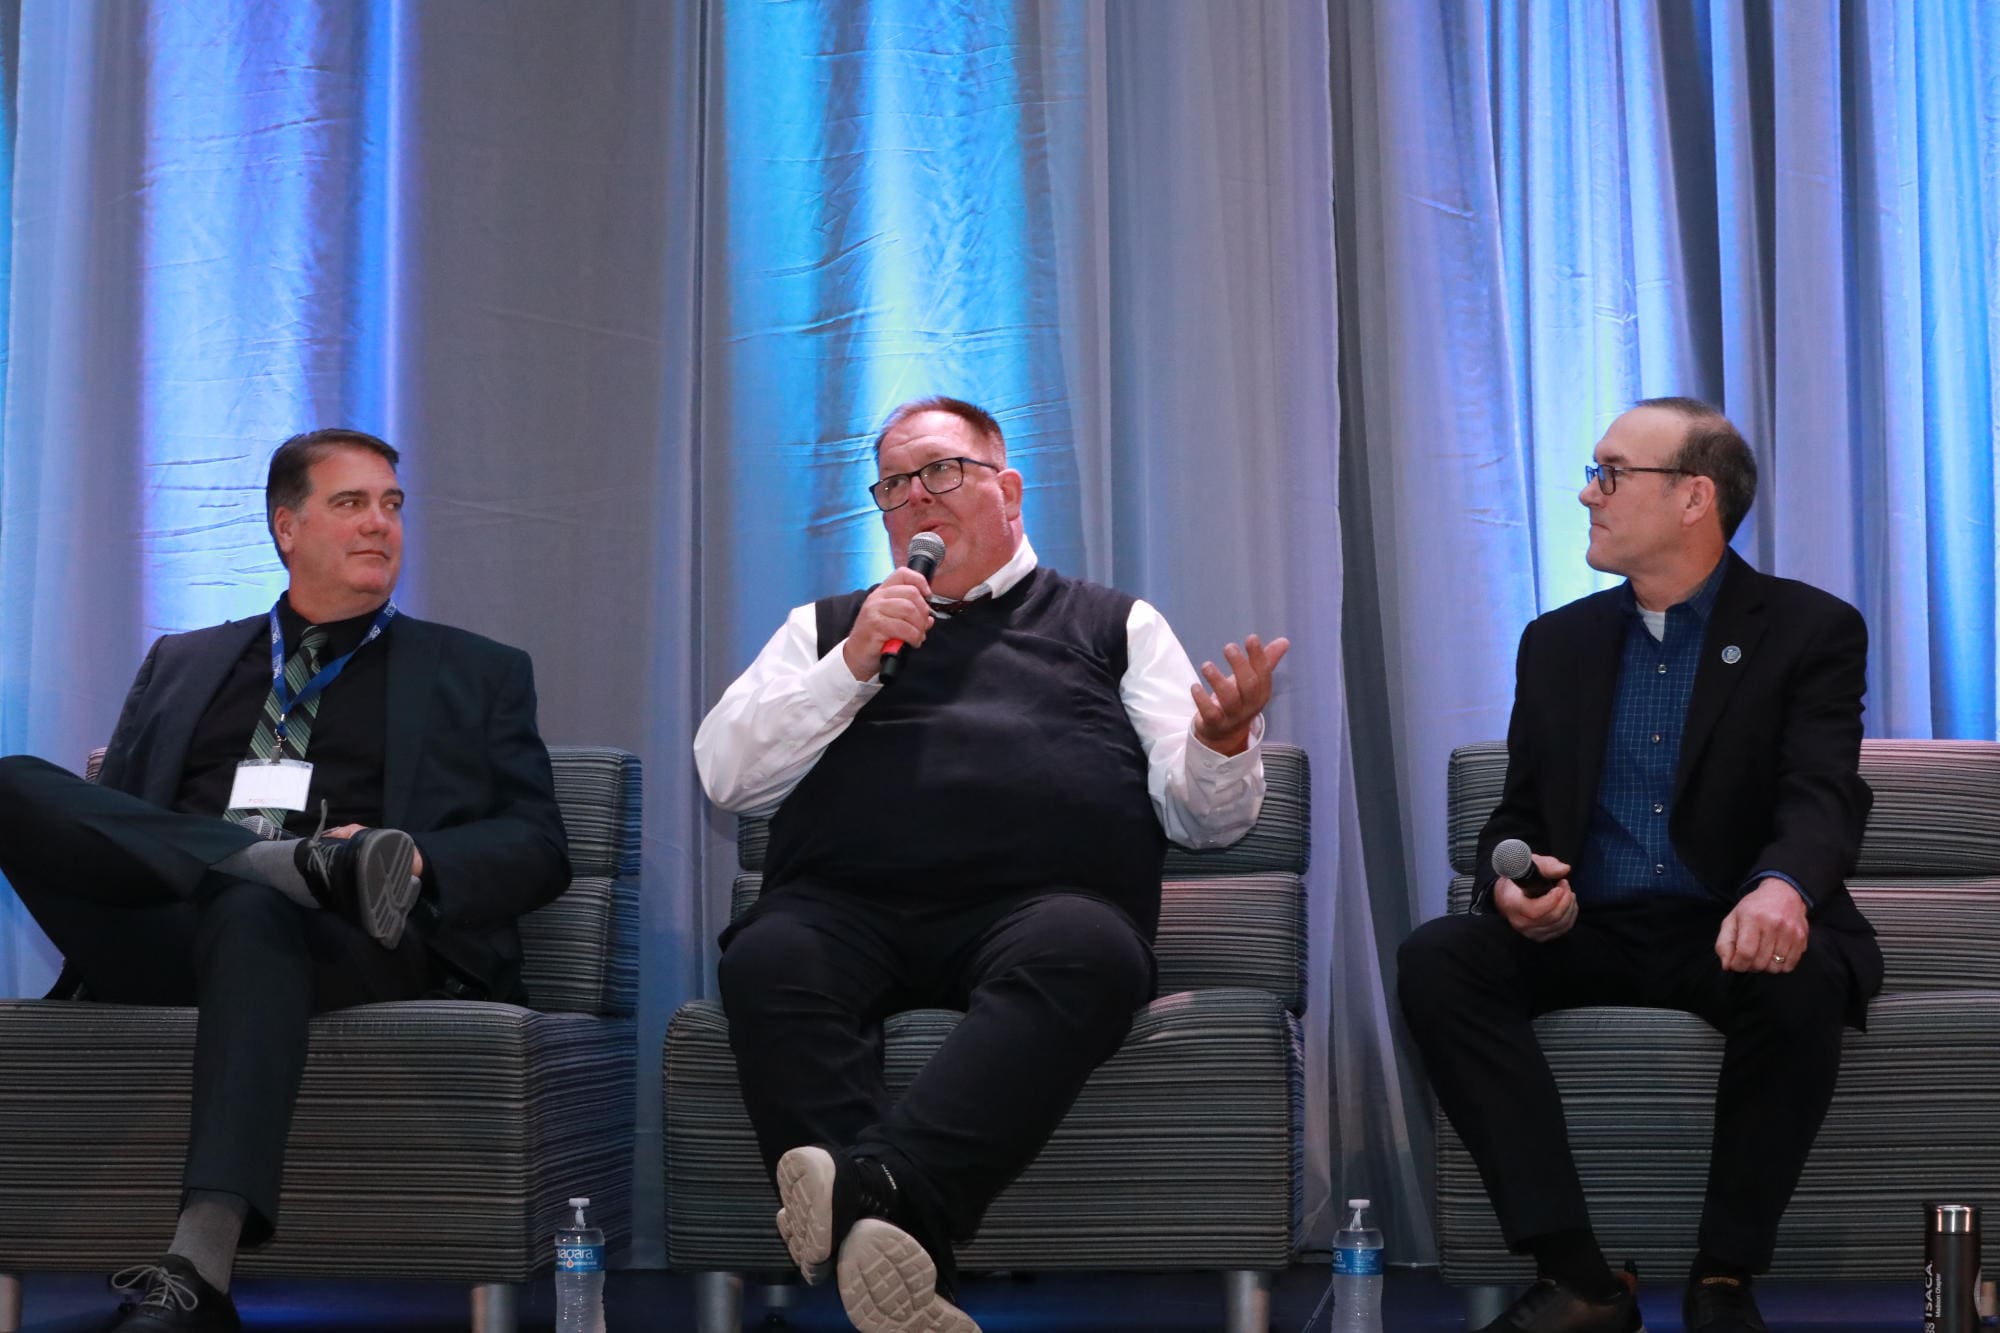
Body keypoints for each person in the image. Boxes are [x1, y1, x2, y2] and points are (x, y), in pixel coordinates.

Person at [694, 396, 1287, 1333]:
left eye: (942, 472)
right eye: (894, 485)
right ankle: (891, 1255)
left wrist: (1219, 742)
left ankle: (874, 1190)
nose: (917, 501)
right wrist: (850, 661)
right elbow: (727, 775)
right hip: (845, 908)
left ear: (1008, 489)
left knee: (1091, 950)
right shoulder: (827, 626)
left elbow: (1204, 819)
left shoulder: (1113, 624)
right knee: (767, 959)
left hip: (1042, 909)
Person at [0, 428, 570, 1332]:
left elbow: (541, 845)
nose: (379, 525)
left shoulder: (477, 671)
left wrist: (413, 853)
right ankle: (287, 863)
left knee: (254, 911)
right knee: (13, 779)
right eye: (350, 504)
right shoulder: (184, 660)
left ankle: (201, 1269)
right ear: (286, 527)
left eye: (392, 505)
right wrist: (199, 848)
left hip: (356, 937)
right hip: (161, 927)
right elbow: (115, 824)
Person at [1398, 398, 1879, 1333]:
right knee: (1437, 958)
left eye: (1612, 472)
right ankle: (1579, 1278)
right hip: (1595, 926)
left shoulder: (1809, 630)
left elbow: (1822, 792)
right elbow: (1522, 810)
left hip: (1726, 921)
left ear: (1695, 496)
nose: (1588, 492)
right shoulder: (1558, 643)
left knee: (1802, 973)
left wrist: (1780, 887)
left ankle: (1723, 1278)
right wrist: (1518, 885)